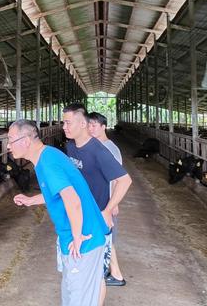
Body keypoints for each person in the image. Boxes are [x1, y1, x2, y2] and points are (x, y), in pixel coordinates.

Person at [9, 119, 109, 306]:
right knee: (73, 296)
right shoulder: (45, 157)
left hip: (83, 242)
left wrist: (77, 236)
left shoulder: (48, 162)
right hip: (75, 238)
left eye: (11, 139)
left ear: (26, 140)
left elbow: (73, 200)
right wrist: (32, 200)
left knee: (79, 300)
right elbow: (58, 193)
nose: (8, 145)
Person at [62, 104, 132, 305]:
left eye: (68, 122)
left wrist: (108, 209)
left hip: (97, 219)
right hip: (79, 217)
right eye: (63, 122)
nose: (64, 126)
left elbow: (125, 180)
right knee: (79, 268)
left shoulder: (98, 150)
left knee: (97, 272)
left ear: (82, 124)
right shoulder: (71, 147)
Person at [87, 112, 126, 286]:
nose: (91, 129)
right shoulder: (96, 146)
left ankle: (116, 274)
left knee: (106, 237)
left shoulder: (110, 148)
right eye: (89, 125)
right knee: (105, 236)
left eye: (94, 125)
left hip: (106, 203)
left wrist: (113, 205)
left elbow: (119, 179)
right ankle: (113, 273)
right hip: (100, 201)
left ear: (104, 127)